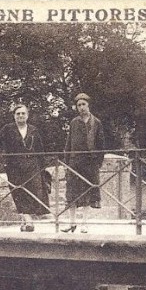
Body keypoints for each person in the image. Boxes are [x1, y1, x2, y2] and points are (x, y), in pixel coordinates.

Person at [0, 104, 51, 232]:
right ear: (14, 116)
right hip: (14, 166)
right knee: (19, 192)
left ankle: (25, 220)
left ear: (27, 115)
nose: (21, 116)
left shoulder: (33, 130)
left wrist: (43, 167)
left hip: (32, 165)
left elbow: (40, 149)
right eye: (18, 114)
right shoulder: (8, 129)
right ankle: (28, 221)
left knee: (34, 191)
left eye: (23, 113)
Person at [63, 92, 107, 233]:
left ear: (88, 105)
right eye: (79, 105)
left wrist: (98, 162)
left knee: (88, 193)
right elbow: (69, 144)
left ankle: (84, 223)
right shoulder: (74, 122)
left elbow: (101, 145)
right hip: (75, 162)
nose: (81, 107)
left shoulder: (96, 123)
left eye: (83, 104)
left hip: (90, 163)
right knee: (71, 193)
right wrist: (66, 162)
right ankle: (72, 222)